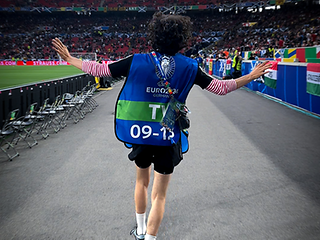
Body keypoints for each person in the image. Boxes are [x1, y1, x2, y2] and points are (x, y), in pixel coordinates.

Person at [52, 12, 271, 240]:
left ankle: (139, 230)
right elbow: (221, 88)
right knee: (160, 195)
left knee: (141, 182)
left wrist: (69, 58)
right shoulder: (190, 66)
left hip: (141, 134)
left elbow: (101, 70)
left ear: (154, 36)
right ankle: (151, 238)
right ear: (183, 39)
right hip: (168, 136)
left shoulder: (136, 60)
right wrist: (251, 76)